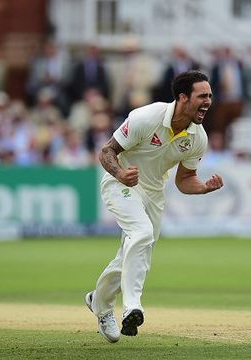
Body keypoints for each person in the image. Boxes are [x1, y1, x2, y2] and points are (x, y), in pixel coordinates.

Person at [85, 70, 224, 343]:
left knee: (135, 253)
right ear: (183, 97)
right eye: (202, 96)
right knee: (141, 234)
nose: (208, 101)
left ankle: (99, 302)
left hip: (153, 194)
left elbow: (185, 180)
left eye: (210, 95)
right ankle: (132, 307)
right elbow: (107, 151)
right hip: (121, 183)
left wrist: (205, 187)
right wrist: (120, 174)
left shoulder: (198, 138)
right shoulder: (145, 117)